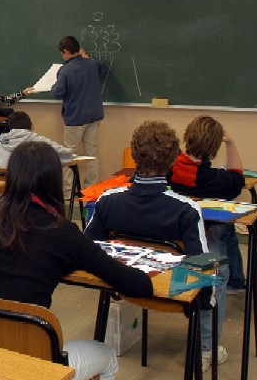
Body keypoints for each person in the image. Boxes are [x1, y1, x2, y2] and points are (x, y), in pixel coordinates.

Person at [0, 141, 153, 380]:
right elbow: (140, 286)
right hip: (36, 363)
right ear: (53, 181)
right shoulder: (61, 233)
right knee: (107, 357)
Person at [85, 121, 227, 372]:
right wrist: (205, 301)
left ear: (134, 155)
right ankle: (207, 349)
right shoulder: (186, 210)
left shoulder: (107, 201)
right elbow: (200, 269)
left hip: (123, 284)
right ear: (173, 161)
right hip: (170, 292)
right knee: (218, 268)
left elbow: (87, 249)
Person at [169, 115, 246, 294]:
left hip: (172, 229)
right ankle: (235, 281)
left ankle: (234, 279)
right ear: (214, 149)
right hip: (200, 232)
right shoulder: (214, 180)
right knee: (226, 227)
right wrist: (230, 143)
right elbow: (238, 179)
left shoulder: (168, 169)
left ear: (186, 136)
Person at [51, 36, 109, 193]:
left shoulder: (66, 70)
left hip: (75, 117)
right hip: (94, 115)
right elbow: (103, 67)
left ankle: (68, 191)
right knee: (92, 153)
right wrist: (86, 57)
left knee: (69, 154)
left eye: (62, 53)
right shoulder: (92, 64)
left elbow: (57, 93)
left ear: (66, 51)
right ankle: (92, 188)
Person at [0, 111, 73, 169]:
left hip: (5, 188)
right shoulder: (41, 143)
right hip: (33, 187)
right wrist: (73, 155)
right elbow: (64, 154)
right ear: (32, 126)